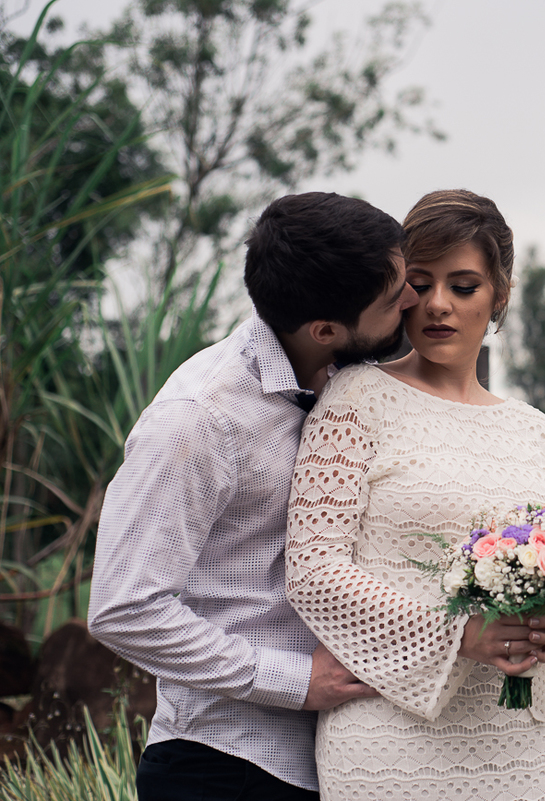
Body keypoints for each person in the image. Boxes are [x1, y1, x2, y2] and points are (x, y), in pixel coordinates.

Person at [88, 192, 423, 801]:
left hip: (344, 761)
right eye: (392, 295)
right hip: (223, 766)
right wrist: (293, 680)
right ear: (324, 329)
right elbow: (123, 607)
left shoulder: (351, 385)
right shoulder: (199, 418)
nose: (413, 299)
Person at [286, 189, 545, 800]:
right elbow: (313, 567)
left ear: (499, 294)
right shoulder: (356, 400)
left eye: (464, 286)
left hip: (521, 740)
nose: (438, 305)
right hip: (390, 732)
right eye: (420, 284)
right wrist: (458, 636)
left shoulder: (537, 432)